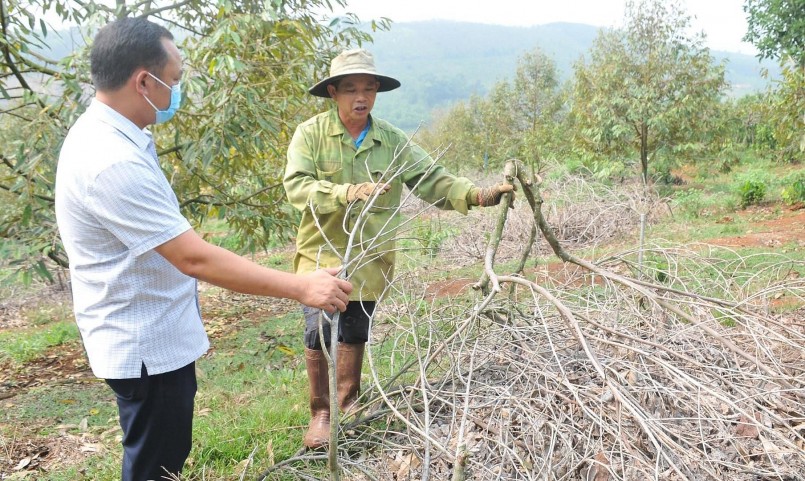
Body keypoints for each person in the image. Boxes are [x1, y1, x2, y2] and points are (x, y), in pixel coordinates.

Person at [54, 18, 352, 481]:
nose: (176, 91)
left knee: (162, 454)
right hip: (143, 345)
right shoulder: (110, 161)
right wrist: (300, 286)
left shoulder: (113, 136)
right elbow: (193, 256)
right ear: (143, 81)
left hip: (150, 332)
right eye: (172, 81)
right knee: (156, 464)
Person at [284, 48, 514, 449]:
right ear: (333, 92)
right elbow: (297, 186)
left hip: (371, 259)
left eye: (369, 89)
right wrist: (346, 192)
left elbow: (433, 179)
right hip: (321, 254)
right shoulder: (311, 134)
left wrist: (477, 194)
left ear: (376, 93)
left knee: (355, 328)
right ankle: (321, 413)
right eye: (351, 89)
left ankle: (348, 403)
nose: (361, 97)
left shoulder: (390, 140)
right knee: (319, 329)